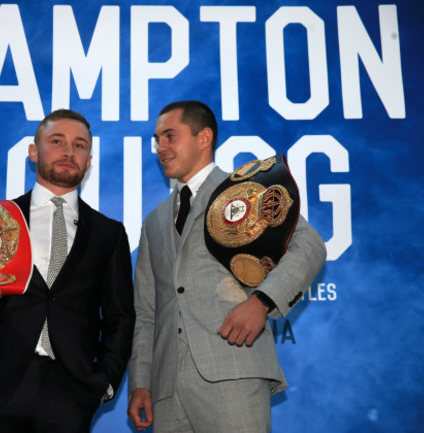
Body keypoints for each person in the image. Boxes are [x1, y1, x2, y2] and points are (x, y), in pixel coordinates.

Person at [0, 109, 135, 433]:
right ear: (33, 152)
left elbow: (121, 317)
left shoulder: (109, 233)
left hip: (71, 392)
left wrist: (105, 384)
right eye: (56, 141)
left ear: (89, 160)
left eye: (79, 145)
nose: (68, 151)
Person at [127, 101, 327, 432]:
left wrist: (263, 301)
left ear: (204, 137)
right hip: (166, 391)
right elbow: (147, 311)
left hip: (232, 368)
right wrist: (141, 382)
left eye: (170, 136)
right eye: (157, 139)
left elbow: (309, 246)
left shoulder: (245, 189)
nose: (161, 147)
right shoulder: (154, 221)